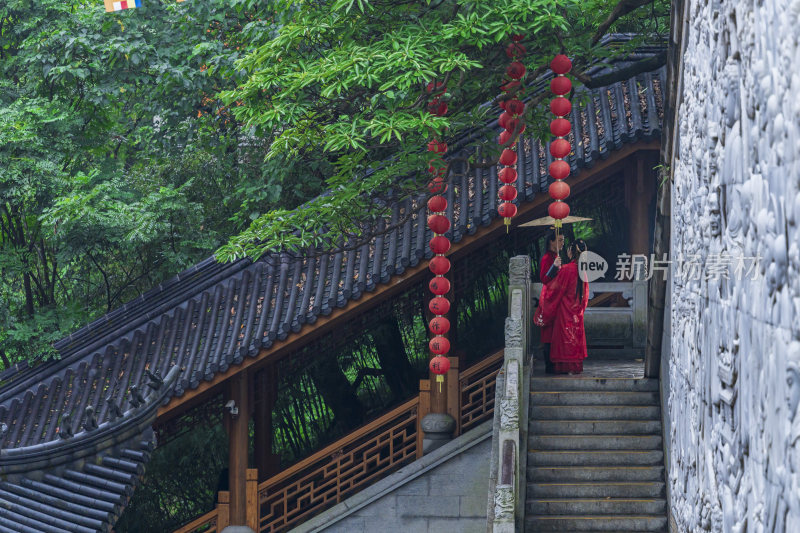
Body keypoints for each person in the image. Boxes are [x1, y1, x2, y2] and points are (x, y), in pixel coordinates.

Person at [539, 239, 589, 374]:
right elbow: (585, 297)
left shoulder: (567, 269)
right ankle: (575, 367)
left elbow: (554, 290)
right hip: (576, 313)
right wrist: (580, 311)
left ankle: (563, 368)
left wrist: (555, 270)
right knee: (574, 339)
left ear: (571, 251)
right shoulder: (582, 271)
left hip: (565, 312)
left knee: (564, 340)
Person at [539, 231, 564, 373]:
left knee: (556, 332)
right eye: (559, 240)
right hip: (550, 299)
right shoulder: (547, 258)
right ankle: (549, 365)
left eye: (563, 240)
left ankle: (556, 363)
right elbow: (544, 278)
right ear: (551, 242)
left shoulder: (556, 256)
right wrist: (554, 266)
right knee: (548, 333)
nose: (562, 243)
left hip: (557, 298)